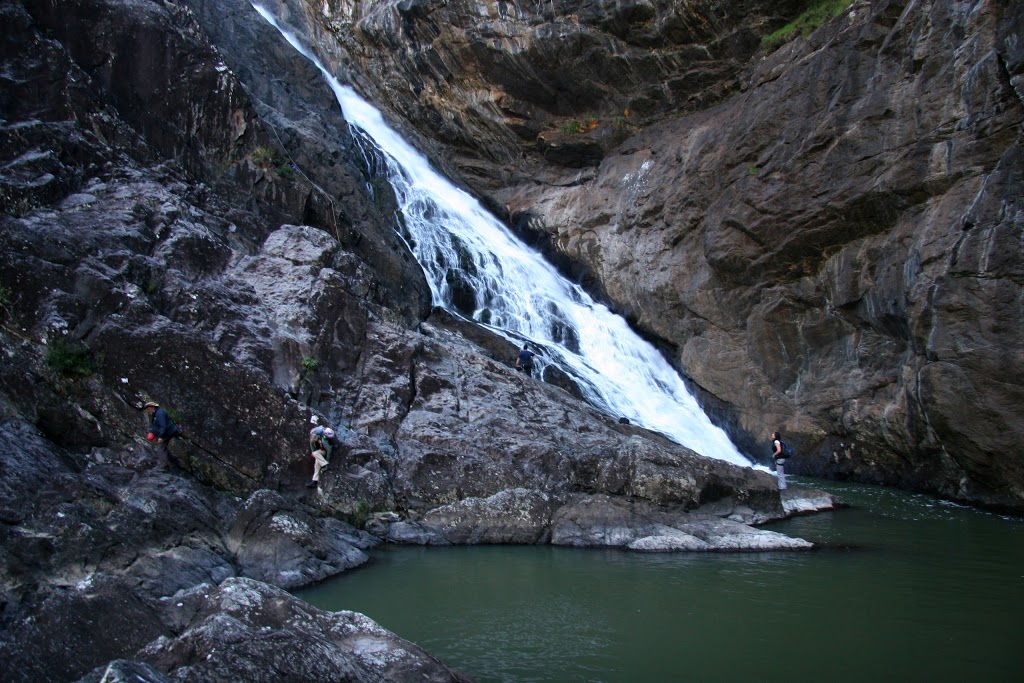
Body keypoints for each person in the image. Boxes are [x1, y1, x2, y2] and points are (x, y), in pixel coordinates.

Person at [143, 401, 178, 469]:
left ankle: (163, 466)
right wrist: (152, 432)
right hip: (164, 432)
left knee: (160, 449)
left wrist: (161, 436)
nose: (148, 411)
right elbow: (155, 425)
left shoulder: (160, 413)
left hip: (167, 433)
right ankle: (166, 464)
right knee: (161, 448)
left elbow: (163, 426)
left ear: (153, 407)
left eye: (148, 409)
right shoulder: (155, 413)